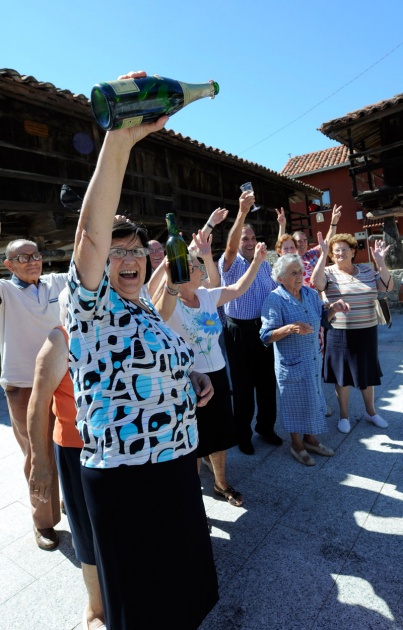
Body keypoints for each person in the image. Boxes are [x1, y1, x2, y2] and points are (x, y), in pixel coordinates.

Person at [65, 70, 218, 630]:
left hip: (175, 464)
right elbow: (89, 235)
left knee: (182, 597)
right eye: (115, 253)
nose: (128, 260)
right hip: (130, 480)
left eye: (136, 251)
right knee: (148, 608)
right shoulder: (90, 309)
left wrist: (191, 381)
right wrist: (121, 139)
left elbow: (157, 366)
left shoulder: (145, 309)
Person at [153, 233, 268, 505]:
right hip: (187, 380)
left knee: (219, 436)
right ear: (183, 271)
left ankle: (221, 483)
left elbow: (239, 288)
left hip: (217, 373)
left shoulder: (205, 296)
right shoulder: (168, 303)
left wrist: (259, 261)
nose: (202, 270)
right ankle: (192, 497)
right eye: (197, 266)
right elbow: (154, 304)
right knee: (192, 441)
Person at [27, 290, 105, 630]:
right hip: (76, 449)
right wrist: (40, 464)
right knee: (87, 532)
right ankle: (96, 608)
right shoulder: (61, 339)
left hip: (116, 450)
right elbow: (37, 403)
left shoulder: (110, 331)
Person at [0, 239, 67, 550]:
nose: (32, 261)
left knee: (67, 443)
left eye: (36, 255)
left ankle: (67, 499)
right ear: (8, 264)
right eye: (23, 257)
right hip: (23, 384)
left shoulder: (55, 283)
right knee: (36, 454)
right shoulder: (5, 291)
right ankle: (43, 522)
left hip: (62, 378)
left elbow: (88, 264)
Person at [260, 254, 349, 465]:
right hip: (290, 363)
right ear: (280, 278)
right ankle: (297, 445)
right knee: (293, 404)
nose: (299, 276)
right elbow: (265, 336)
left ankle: (311, 440)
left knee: (313, 400)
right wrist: (291, 328)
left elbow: (321, 319)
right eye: (293, 273)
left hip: (312, 359)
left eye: (300, 271)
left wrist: (334, 309)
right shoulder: (274, 299)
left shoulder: (309, 293)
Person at [311, 232, 393, 434]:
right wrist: (322, 254)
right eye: (335, 250)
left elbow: (387, 286)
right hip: (339, 333)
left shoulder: (366, 270)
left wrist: (381, 263)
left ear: (353, 251)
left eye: (344, 249)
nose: (339, 253)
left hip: (367, 331)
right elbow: (316, 283)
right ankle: (344, 416)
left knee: (367, 373)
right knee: (342, 376)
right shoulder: (328, 272)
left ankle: (371, 412)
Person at [218, 193, 281, 455]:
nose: (250, 242)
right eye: (245, 238)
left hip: (263, 329)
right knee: (243, 388)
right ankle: (242, 434)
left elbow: (276, 289)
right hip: (238, 331)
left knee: (267, 384)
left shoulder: (264, 264)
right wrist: (242, 212)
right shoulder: (230, 264)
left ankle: (265, 427)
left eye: (253, 238)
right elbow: (231, 248)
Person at [276, 204, 342, 268]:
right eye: (299, 241)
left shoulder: (311, 254)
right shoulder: (289, 258)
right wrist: (282, 225)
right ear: (294, 244)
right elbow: (282, 244)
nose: (303, 244)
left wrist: (333, 223)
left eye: (305, 241)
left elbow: (327, 243)